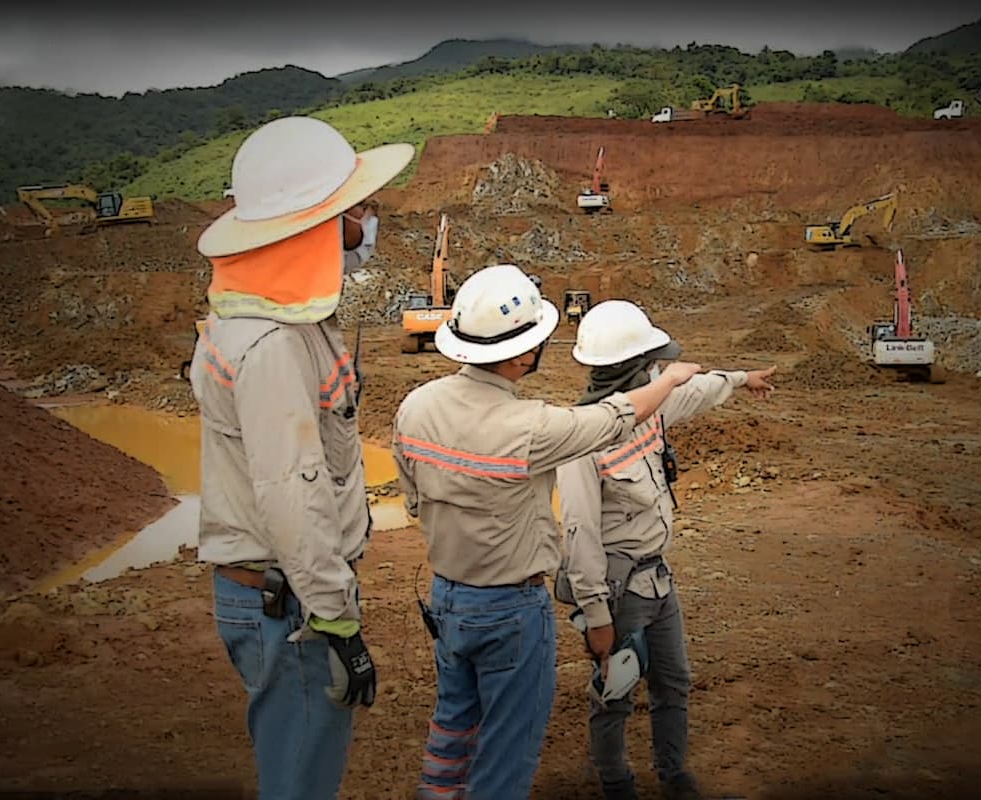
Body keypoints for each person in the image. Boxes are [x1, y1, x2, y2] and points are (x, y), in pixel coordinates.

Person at [392, 264, 706, 800]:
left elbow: (414, 499)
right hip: (509, 609)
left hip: (447, 597)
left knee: (452, 733)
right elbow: (611, 418)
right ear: (522, 353)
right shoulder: (530, 426)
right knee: (506, 754)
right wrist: (671, 379)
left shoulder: (415, 407)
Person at [187, 115, 414, 800]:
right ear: (314, 226)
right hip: (287, 605)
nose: (368, 222)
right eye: (356, 211)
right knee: (301, 783)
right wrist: (337, 618)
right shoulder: (275, 345)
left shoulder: (275, 321)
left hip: (279, 597)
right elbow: (294, 489)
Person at [554, 300, 776, 800]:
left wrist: (742, 379)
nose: (660, 370)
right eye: (653, 364)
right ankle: (617, 785)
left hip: (658, 579)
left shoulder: (650, 410)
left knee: (673, 682)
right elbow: (580, 534)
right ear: (635, 371)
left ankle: (673, 776)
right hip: (619, 591)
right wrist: (596, 615)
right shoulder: (582, 439)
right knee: (614, 695)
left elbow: (696, 390)